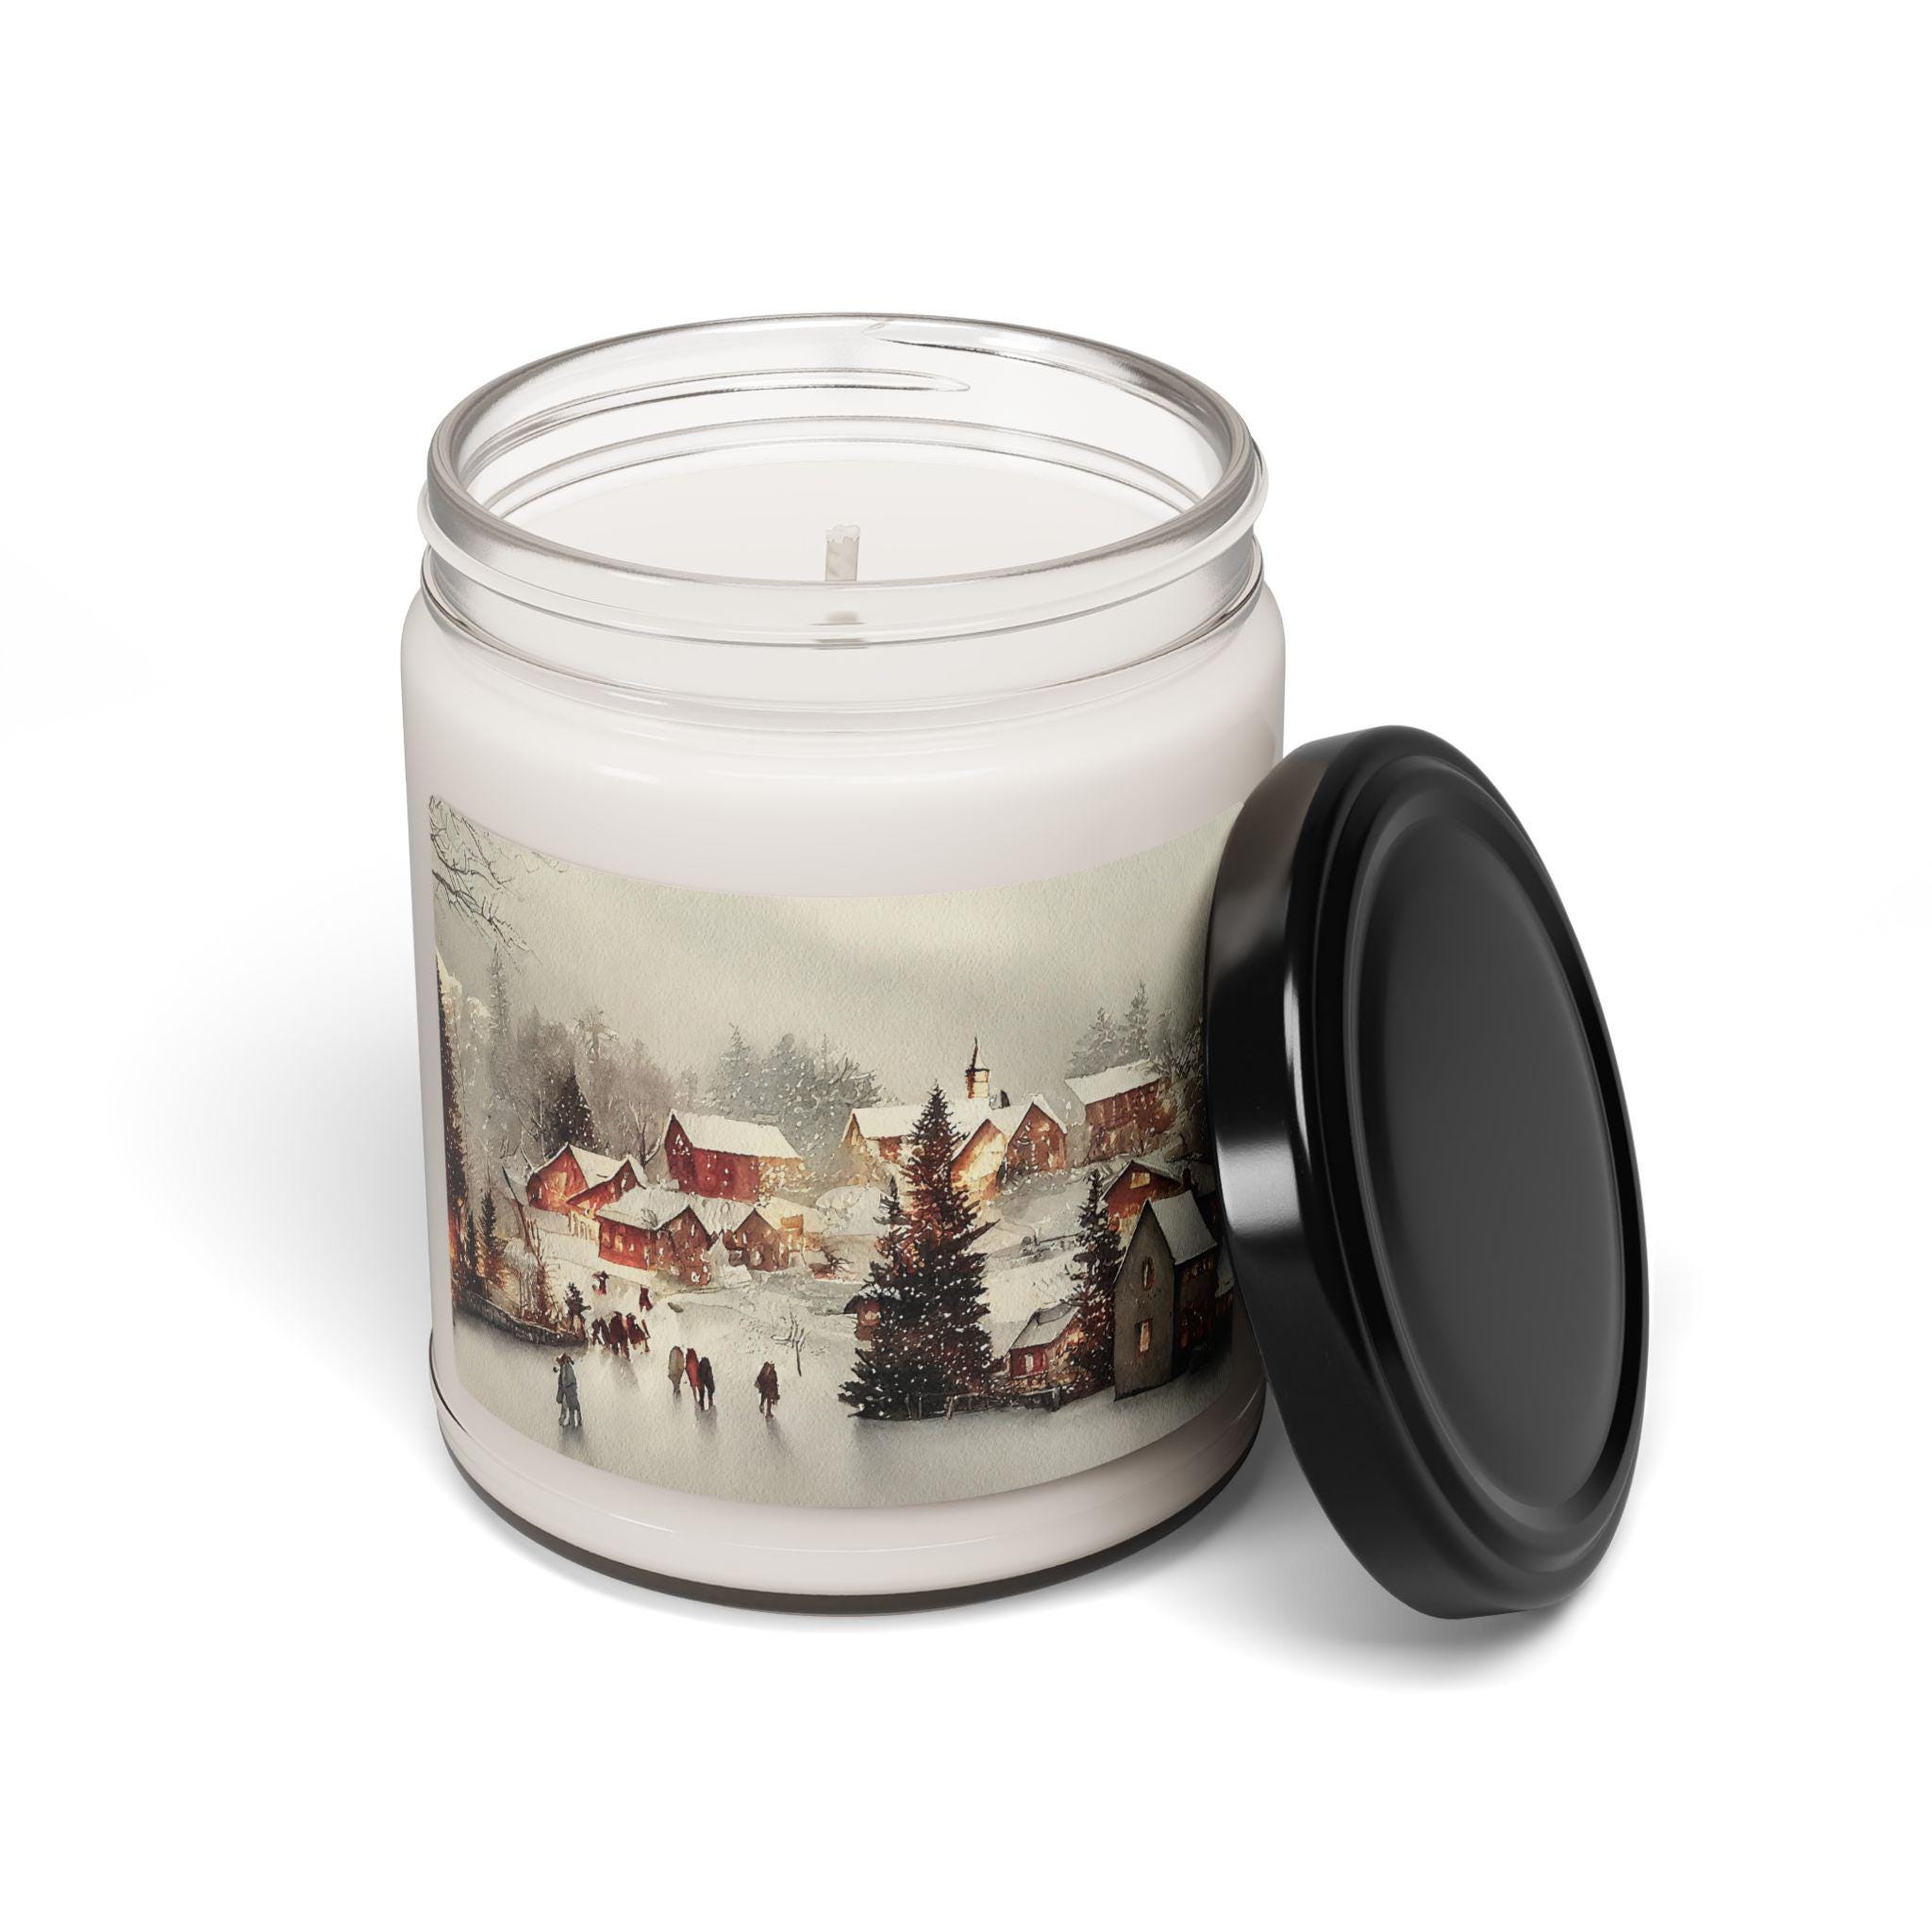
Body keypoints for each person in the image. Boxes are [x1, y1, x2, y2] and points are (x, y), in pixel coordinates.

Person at [554, 1353, 580, 1429]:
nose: (559, 1363)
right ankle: (567, 1421)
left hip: (568, 1391)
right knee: (569, 1406)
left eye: (559, 1361)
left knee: (572, 1406)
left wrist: (563, 1390)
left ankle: (573, 1423)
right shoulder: (565, 1367)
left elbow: (565, 1382)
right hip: (569, 1391)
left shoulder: (566, 1368)